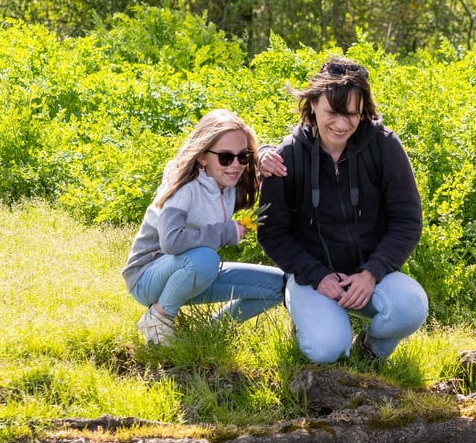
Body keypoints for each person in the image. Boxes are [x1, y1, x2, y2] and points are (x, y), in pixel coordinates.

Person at [256, 56, 428, 363]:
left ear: (363, 111)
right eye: (332, 113)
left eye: (351, 114)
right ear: (312, 105)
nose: (341, 123)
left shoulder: (384, 146)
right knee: (327, 351)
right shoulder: (286, 158)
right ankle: (308, 321)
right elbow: (272, 233)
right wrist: (317, 275)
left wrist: (371, 273)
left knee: (411, 307)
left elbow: (407, 220)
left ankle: (370, 351)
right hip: (313, 277)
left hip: (369, 275)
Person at [123, 109, 286, 345]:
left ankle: (210, 331)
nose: (236, 165)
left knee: (278, 285)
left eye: (244, 156)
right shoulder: (183, 186)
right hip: (147, 277)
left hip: (194, 275)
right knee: (205, 258)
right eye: (226, 157)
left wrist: (262, 156)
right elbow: (171, 241)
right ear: (201, 156)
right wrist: (225, 232)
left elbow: (262, 169)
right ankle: (159, 318)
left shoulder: (229, 183)